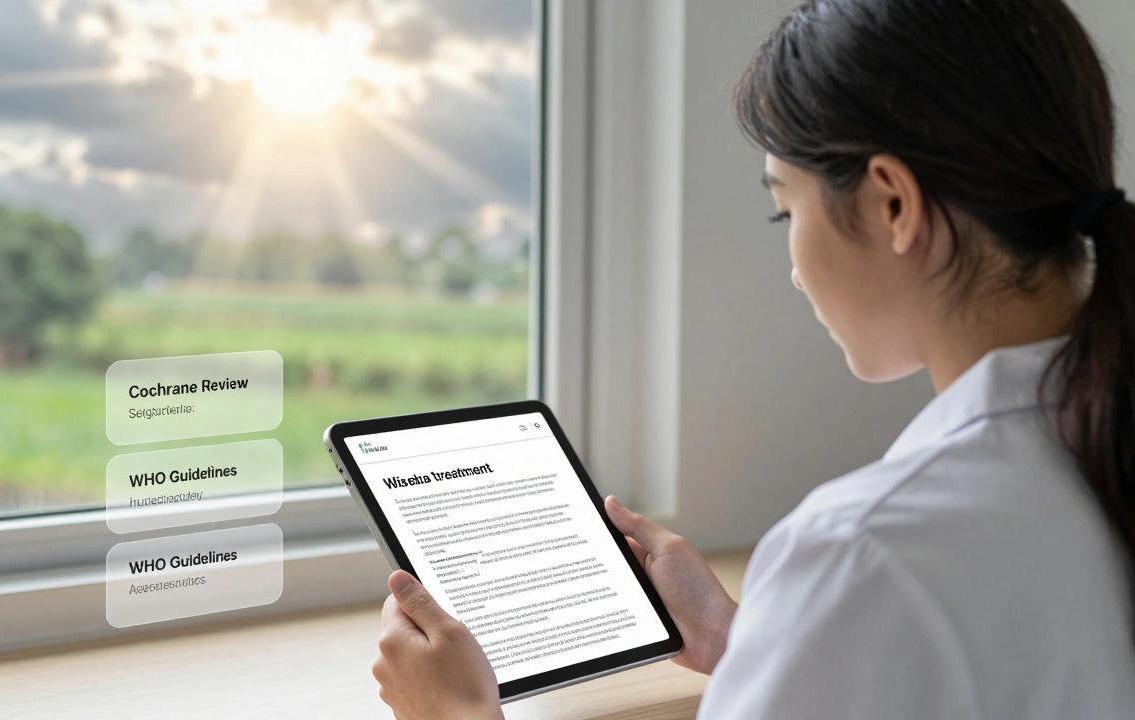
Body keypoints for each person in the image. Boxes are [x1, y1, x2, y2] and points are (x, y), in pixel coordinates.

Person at [369, 0, 1135, 717]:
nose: (796, 267)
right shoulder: (1088, 454)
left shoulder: (864, 553)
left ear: (892, 204)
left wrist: (459, 712)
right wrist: (753, 643)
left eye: (786, 207)